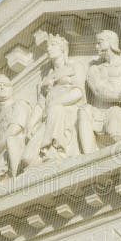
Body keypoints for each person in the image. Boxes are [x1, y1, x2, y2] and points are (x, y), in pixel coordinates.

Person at [23, 34, 87, 165]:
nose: (48, 49)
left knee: (56, 109)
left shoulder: (75, 66)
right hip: (48, 119)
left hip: (68, 112)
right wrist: (31, 123)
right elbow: (40, 105)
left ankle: (56, 149)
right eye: (48, 46)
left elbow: (79, 92)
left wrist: (57, 102)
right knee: (27, 158)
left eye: (53, 45)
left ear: (63, 49)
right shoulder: (45, 78)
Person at [78, 30, 121, 153]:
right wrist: (118, 95)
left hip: (117, 110)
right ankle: (88, 157)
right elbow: (98, 90)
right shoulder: (94, 70)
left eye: (99, 43)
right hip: (98, 112)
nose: (96, 46)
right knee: (84, 111)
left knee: (116, 123)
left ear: (110, 42)